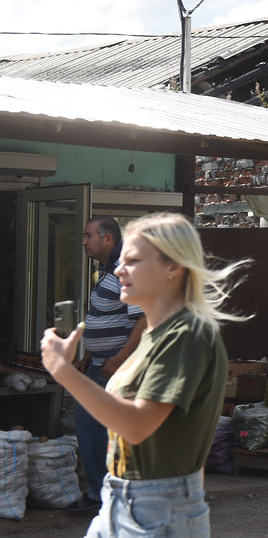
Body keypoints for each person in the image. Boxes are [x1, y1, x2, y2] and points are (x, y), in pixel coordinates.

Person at [41, 212, 248, 537]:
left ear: (173, 267)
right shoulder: (158, 332)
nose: (120, 270)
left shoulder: (187, 334)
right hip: (125, 500)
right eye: (121, 261)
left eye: (133, 261)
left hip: (156, 510)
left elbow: (137, 426)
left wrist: (62, 371)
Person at [75, 216, 148, 509]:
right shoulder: (106, 271)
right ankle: (98, 494)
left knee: (109, 434)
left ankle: (113, 497)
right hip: (98, 366)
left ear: (108, 239)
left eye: (88, 236)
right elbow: (105, 318)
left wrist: (118, 360)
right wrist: (87, 357)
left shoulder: (127, 270)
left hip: (116, 369)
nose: (84, 242)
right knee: (87, 428)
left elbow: (143, 321)